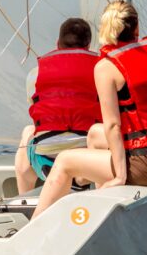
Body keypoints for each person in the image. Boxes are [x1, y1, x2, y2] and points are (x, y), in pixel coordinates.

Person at [32, 1, 147, 219]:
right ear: (136, 28)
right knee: (95, 134)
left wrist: (120, 175)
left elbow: (114, 125)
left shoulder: (107, 67)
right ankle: (103, 209)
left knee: (64, 161)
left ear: (106, 29)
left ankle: (31, 231)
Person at [13, 18, 101, 194]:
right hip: (88, 154)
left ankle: (25, 198)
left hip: (47, 157)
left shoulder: (35, 73)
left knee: (28, 132)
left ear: (57, 43)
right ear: (88, 45)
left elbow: (36, 107)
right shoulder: (101, 68)